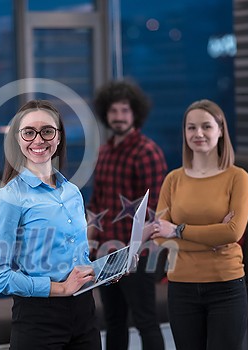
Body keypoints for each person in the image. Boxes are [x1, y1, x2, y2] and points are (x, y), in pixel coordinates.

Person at [0, 100, 101, 350]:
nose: (38, 139)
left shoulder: (72, 192)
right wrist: (59, 288)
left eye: (47, 131)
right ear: (18, 139)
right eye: (29, 132)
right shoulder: (10, 198)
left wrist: (102, 271)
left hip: (84, 310)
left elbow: (77, 257)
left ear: (58, 138)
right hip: (38, 318)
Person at [149, 99, 248, 350]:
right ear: (184, 133)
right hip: (181, 288)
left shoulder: (237, 177)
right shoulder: (173, 179)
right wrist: (212, 239)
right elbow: (159, 236)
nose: (198, 134)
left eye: (206, 126)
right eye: (191, 127)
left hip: (226, 286)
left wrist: (178, 230)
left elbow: (233, 232)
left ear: (220, 130)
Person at [87, 79, 166, 350]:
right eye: (113, 111)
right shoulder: (105, 151)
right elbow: (97, 203)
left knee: (146, 322)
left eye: (124, 110)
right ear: (105, 113)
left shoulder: (147, 152)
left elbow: (155, 210)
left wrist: (136, 252)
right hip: (107, 254)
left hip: (138, 256)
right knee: (113, 321)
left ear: (135, 114)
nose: (118, 117)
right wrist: (90, 240)